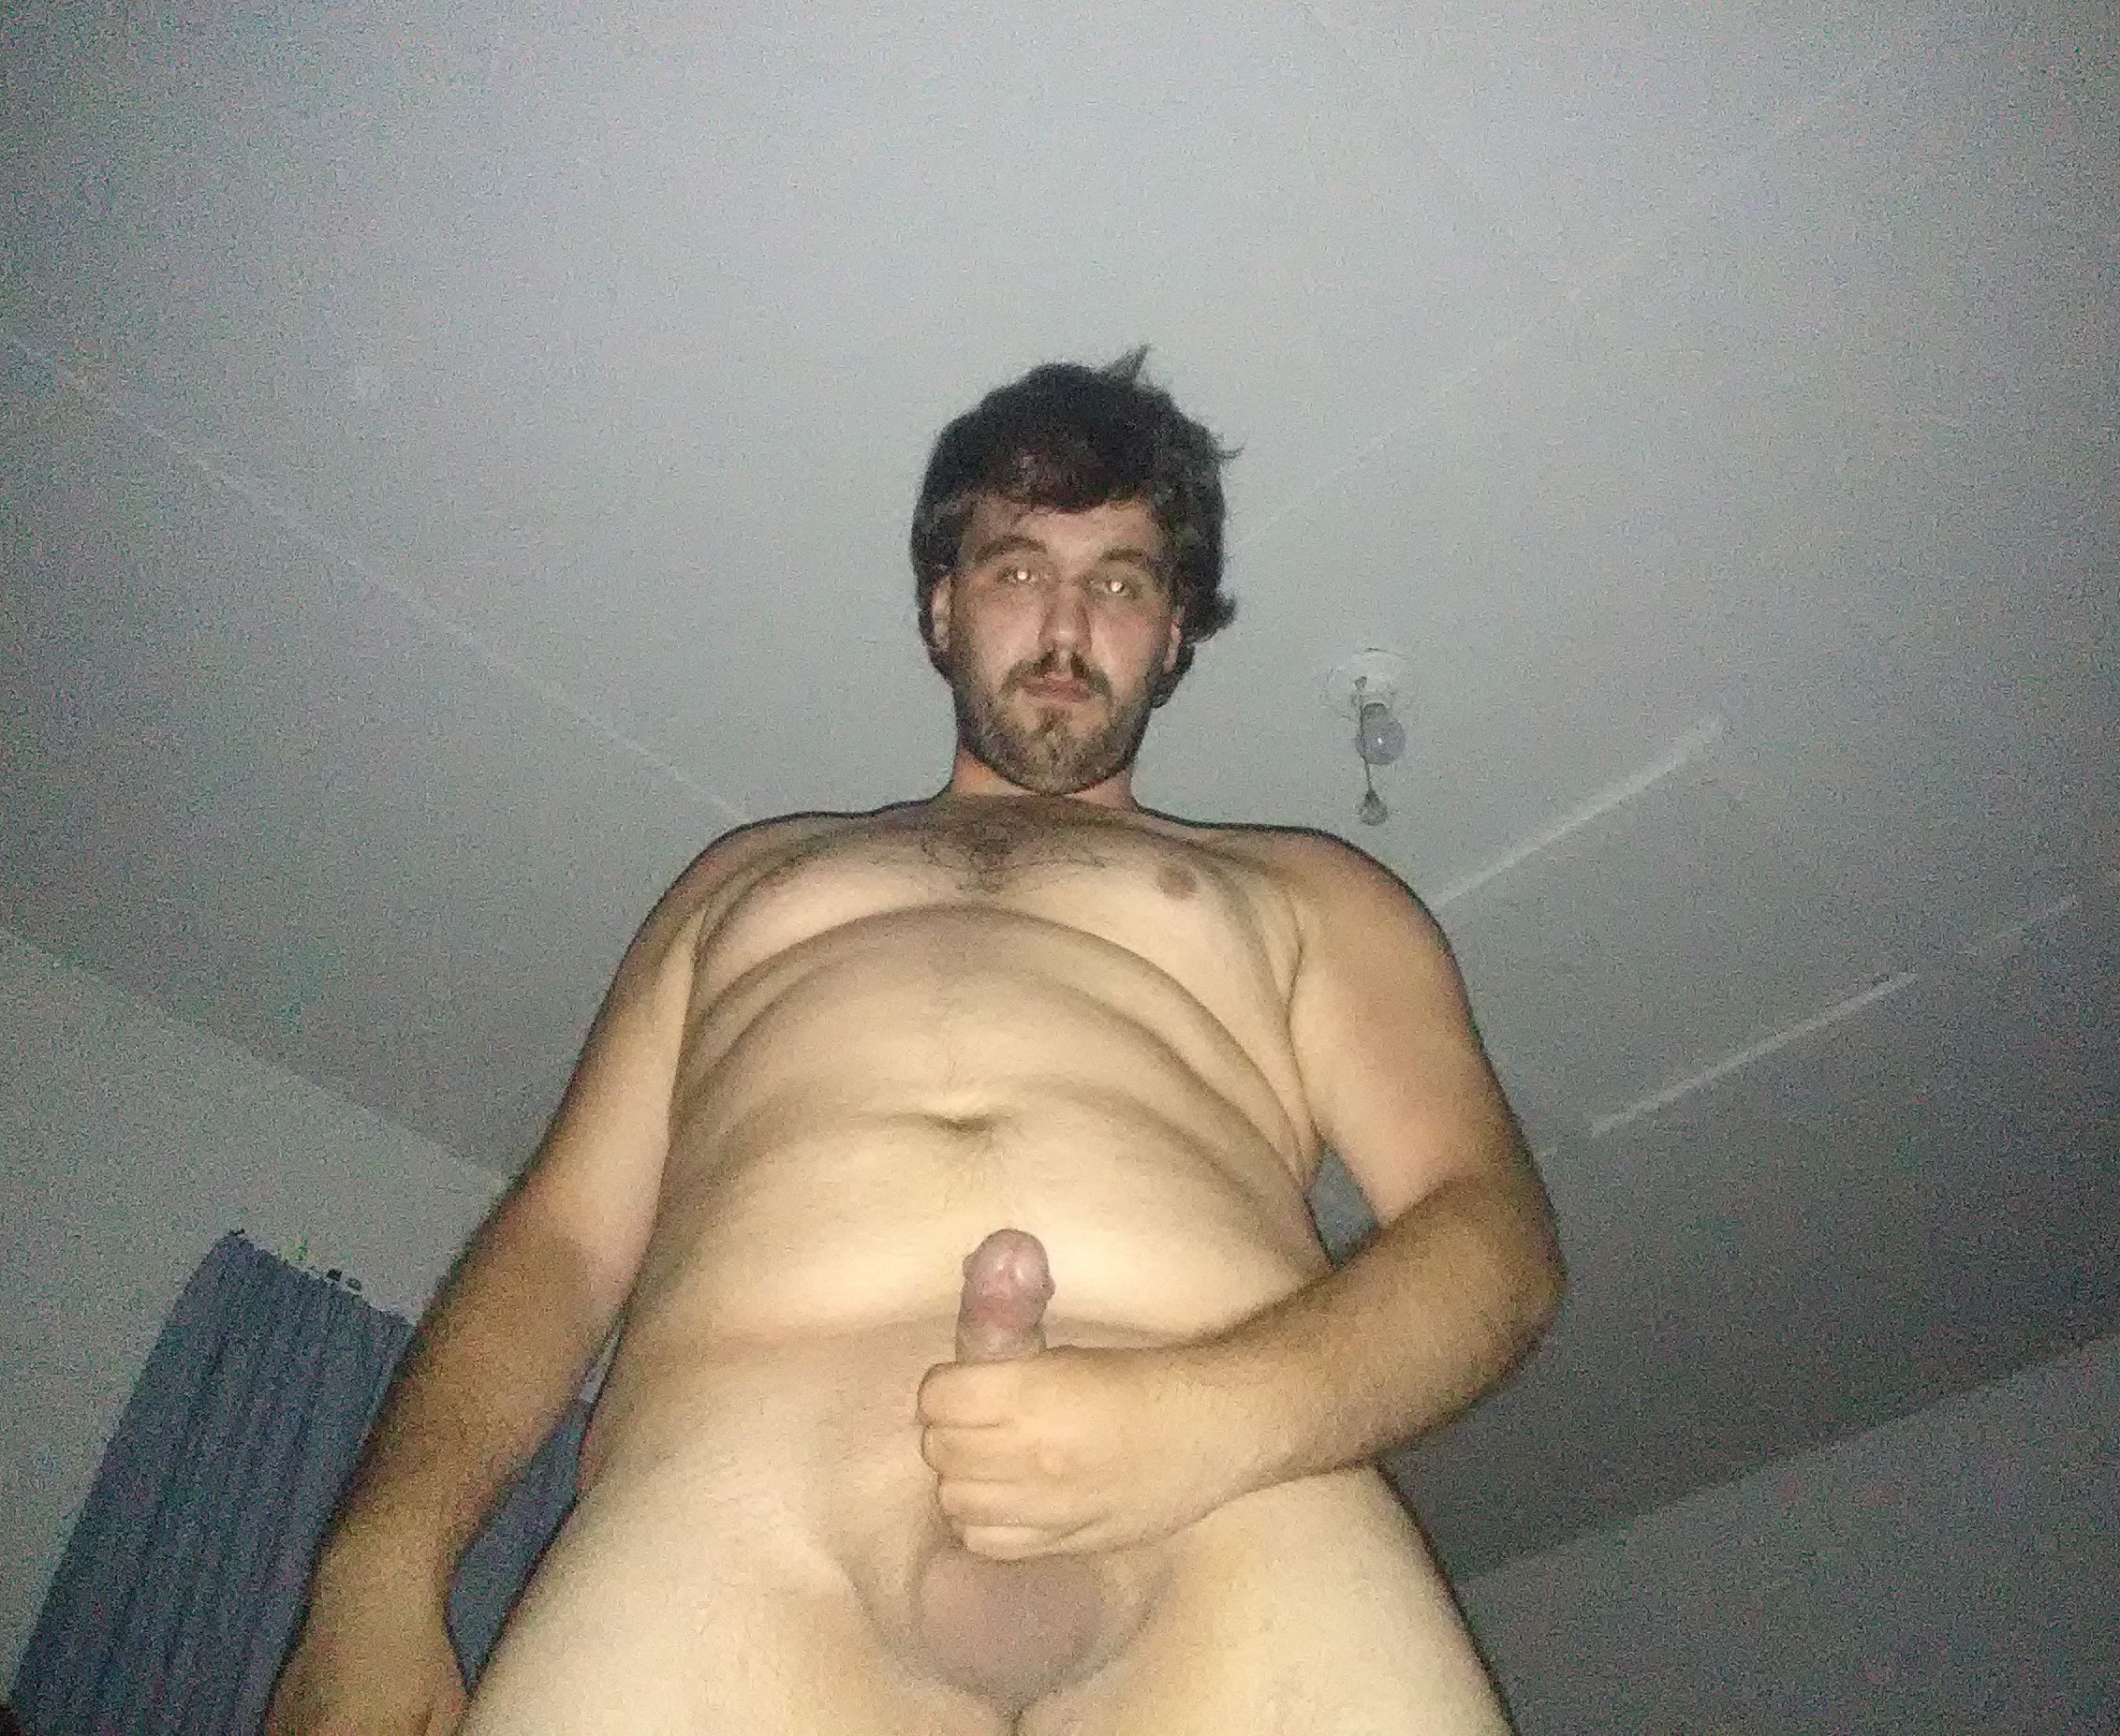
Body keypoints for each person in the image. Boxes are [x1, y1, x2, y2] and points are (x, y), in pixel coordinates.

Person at [267, 350, 1566, 1736]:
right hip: (736, 1508)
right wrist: (376, 1565)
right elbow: (563, 1242)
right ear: (943, 608)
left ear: (1176, 632)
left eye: (1122, 583)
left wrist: (1197, 1422)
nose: (1066, 624)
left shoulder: (1310, 891)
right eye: (1018, 569)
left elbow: (1492, 1236)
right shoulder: (745, 879)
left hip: (1235, 1510)